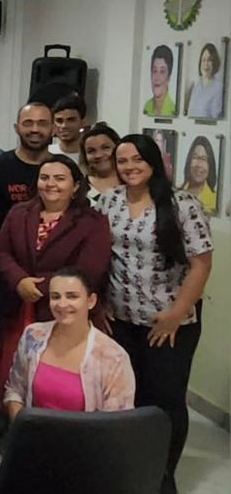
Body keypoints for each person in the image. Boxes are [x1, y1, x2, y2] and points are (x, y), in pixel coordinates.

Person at [97, 134, 213, 494]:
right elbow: (100, 257)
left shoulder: (182, 204)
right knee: (128, 397)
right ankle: (131, 468)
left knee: (165, 400)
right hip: (120, 319)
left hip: (170, 324)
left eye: (137, 160)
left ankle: (163, 474)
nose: (129, 167)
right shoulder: (107, 202)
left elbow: (201, 264)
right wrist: (99, 303)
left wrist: (177, 313)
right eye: (122, 161)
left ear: (154, 163)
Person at [0, 155, 112, 400]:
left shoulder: (92, 222)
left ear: (76, 186)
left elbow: (89, 270)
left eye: (60, 179)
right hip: (17, 309)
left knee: (55, 384)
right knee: (12, 379)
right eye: (45, 178)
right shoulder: (19, 212)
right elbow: (2, 252)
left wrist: (40, 286)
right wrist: (19, 281)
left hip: (65, 312)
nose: (51, 184)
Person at [3, 268, 135, 419]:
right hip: (32, 436)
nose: (62, 304)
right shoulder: (32, 335)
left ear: (91, 301)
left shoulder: (114, 356)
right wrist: (21, 429)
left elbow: (117, 423)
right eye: (55, 297)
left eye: (72, 297)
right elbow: (14, 391)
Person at [0, 99, 53, 233]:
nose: (35, 129)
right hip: (1, 250)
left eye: (42, 123)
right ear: (17, 128)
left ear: (53, 128)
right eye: (28, 123)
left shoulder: (64, 168)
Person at [80, 122, 121, 202]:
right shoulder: (78, 188)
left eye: (105, 148)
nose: (98, 155)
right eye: (91, 151)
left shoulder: (133, 184)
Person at [179, 135, 217, 214]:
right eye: (195, 157)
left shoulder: (215, 200)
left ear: (210, 165)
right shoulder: (176, 193)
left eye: (204, 159)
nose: (198, 164)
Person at [186, 43, 223, 119]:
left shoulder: (218, 87)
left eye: (209, 60)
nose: (206, 64)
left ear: (214, 62)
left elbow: (215, 117)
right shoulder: (196, 85)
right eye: (203, 60)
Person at [48, 94, 86, 164]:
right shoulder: (46, 154)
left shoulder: (90, 156)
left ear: (83, 123)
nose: (64, 126)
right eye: (59, 121)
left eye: (71, 120)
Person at [144, 45, 177, 117]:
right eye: (155, 71)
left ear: (168, 78)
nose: (157, 77)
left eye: (162, 71)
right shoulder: (146, 107)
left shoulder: (173, 111)